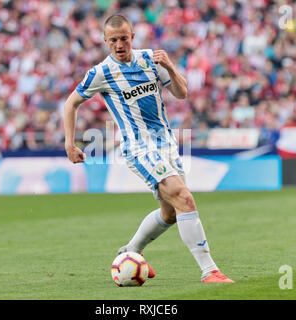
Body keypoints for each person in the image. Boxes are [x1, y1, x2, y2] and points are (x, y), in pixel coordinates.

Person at [63, 14, 233, 283]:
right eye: (113, 40)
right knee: (184, 198)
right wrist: (69, 143)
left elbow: (182, 93)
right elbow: (70, 103)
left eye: (124, 38)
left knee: (171, 212)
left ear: (132, 37)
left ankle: (131, 252)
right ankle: (209, 270)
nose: (119, 44)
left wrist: (170, 66)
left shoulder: (149, 60)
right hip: (138, 148)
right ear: (105, 41)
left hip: (166, 144)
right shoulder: (100, 73)